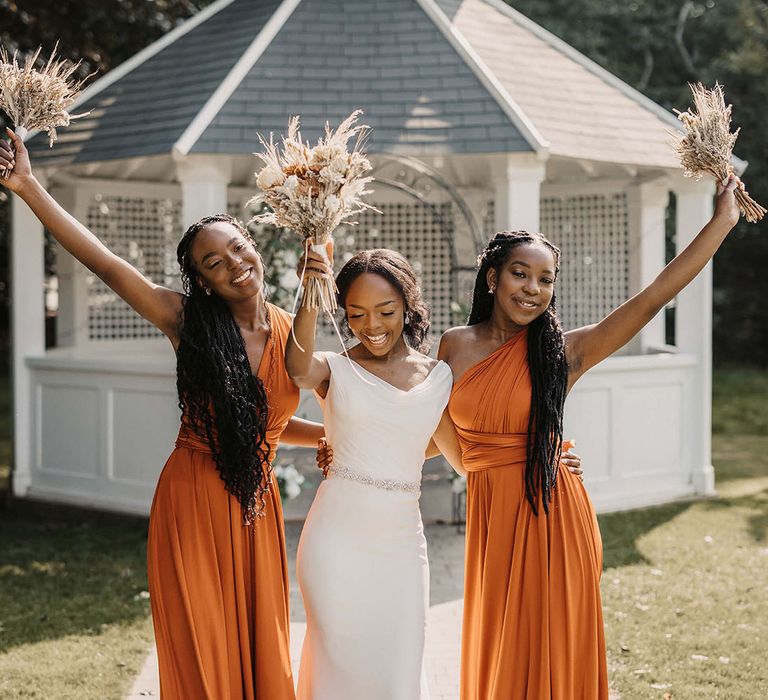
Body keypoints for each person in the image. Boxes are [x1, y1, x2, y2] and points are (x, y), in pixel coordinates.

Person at [0, 129, 328, 700]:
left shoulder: (285, 328)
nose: (232, 264)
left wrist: (334, 436)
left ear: (254, 244)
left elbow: (267, 426)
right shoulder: (186, 321)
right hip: (195, 497)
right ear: (199, 280)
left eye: (236, 248)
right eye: (212, 263)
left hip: (256, 502)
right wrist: (28, 186)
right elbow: (105, 262)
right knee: (206, 637)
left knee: (260, 634)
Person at [438, 173, 743, 699]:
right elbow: (433, 430)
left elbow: (652, 299)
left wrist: (721, 222)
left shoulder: (564, 352)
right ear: (492, 277)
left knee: (554, 650)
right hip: (493, 515)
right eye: (520, 274)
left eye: (545, 279)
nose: (533, 289)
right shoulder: (453, 345)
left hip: (553, 512)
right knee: (502, 648)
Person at [284, 247, 583, 699]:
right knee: (336, 661)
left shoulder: (439, 377)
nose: (372, 325)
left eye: (385, 311)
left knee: (398, 665)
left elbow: (465, 457)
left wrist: (545, 455)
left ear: (407, 305)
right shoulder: (334, 367)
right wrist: (311, 286)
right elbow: (297, 367)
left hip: (402, 546)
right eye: (357, 313)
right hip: (334, 540)